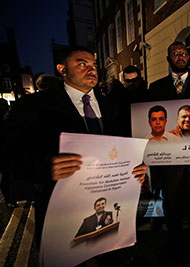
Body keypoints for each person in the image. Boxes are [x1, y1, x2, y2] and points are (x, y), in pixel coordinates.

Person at [4, 46, 147, 250]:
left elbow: (125, 146)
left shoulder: (114, 106)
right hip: (64, 211)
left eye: (93, 65)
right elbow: (11, 154)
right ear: (62, 70)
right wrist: (44, 167)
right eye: (82, 64)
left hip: (111, 210)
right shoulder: (34, 106)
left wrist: (137, 168)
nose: (91, 70)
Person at [148, 41, 190, 255]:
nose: (180, 56)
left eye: (184, 53)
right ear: (168, 59)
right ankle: (175, 242)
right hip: (169, 161)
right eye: (175, 53)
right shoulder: (156, 88)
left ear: (189, 57)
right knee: (172, 203)